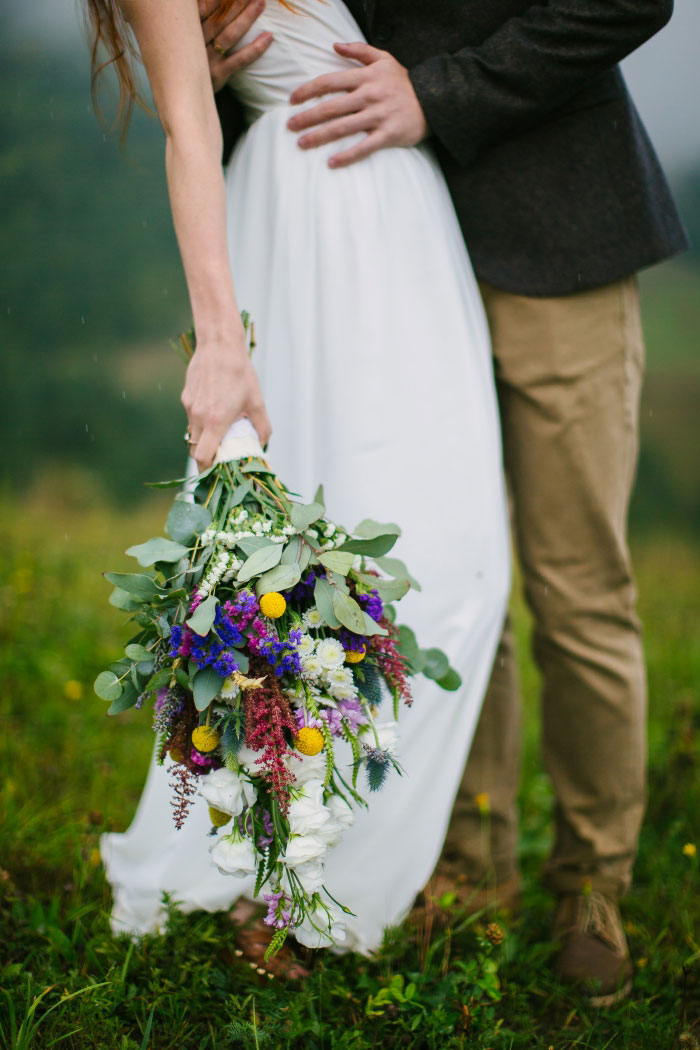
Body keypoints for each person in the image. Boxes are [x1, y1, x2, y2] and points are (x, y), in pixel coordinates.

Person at [205, 0, 688, 1005]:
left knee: (576, 585)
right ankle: (471, 861)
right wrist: (220, 74)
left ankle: (590, 885)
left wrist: (439, 93)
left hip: (552, 235)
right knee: (435, 569)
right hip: (374, 254)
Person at [89, 0, 511, 978]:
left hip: (401, 211)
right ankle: (287, 876)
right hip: (300, 207)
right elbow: (189, 134)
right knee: (291, 573)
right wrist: (223, 342)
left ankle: (318, 864)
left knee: (458, 570)